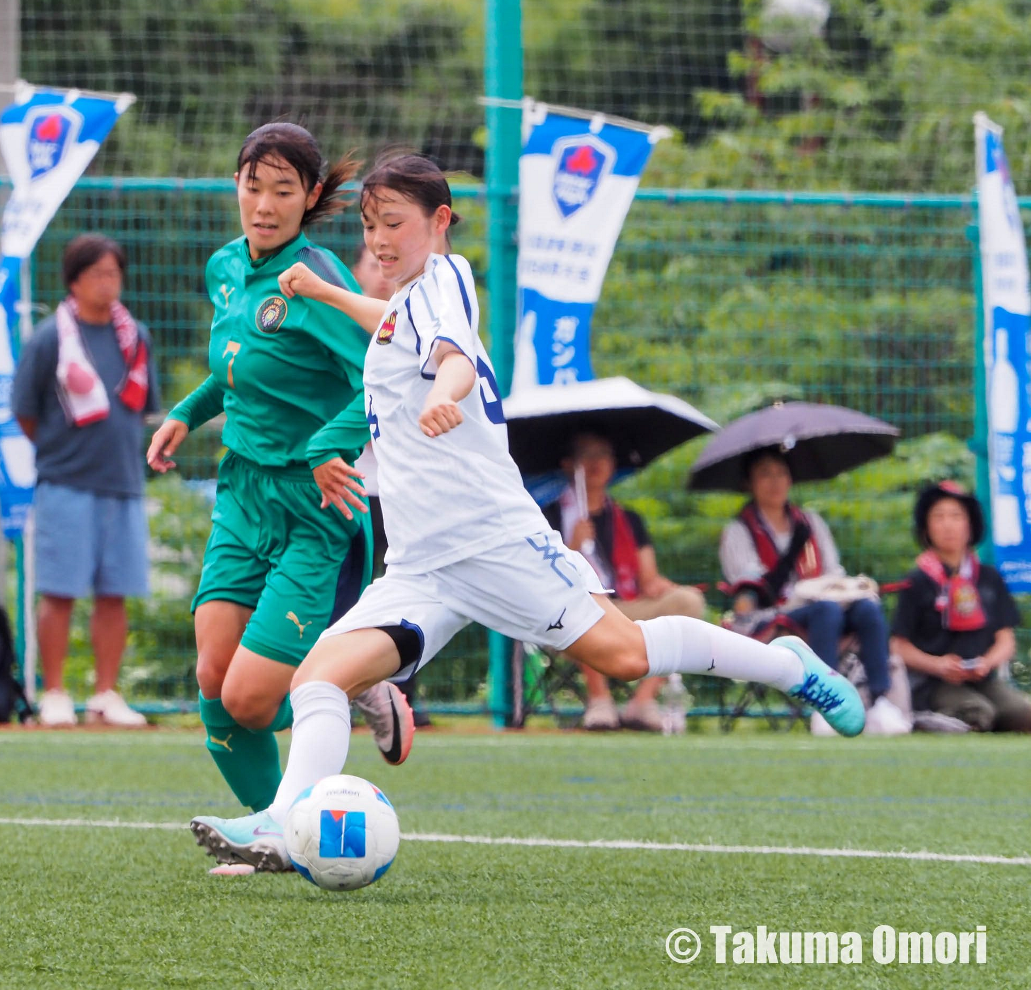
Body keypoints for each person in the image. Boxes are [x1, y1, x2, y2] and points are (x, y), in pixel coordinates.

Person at [189, 152, 864, 872]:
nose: (379, 240)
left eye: (394, 224)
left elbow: (449, 351)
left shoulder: (444, 280)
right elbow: (392, 322)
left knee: (626, 655)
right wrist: (326, 293)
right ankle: (286, 820)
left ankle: (788, 667)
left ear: (439, 222)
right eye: (368, 224)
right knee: (318, 675)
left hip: (492, 543)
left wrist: (450, 390)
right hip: (421, 565)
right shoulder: (405, 302)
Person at [146, 123, 413, 819]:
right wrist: (188, 410)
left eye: (283, 190)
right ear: (235, 185)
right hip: (242, 493)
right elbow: (238, 366)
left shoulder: (318, 279)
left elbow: (383, 375)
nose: (263, 204)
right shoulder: (226, 268)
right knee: (212, 682)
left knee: (249, 700)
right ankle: (281, 835)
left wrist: (329, 444)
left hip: (314, 505)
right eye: (252, 186)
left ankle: (353, 683)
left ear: (311, 197)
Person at [12, 234, 160, 727]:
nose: (108, 282)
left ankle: (105, 694)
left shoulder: (135, 336)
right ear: (74, 281)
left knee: (114, 591)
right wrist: (62, 452)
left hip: (123, 482)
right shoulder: (49, 338)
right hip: (64, 482)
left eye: (114, 273)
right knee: (59, 590)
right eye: (98, 274)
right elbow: (25, 412)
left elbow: (144, 409)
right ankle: (54, 692)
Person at [719, 449, 910, 736]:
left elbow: (832, 572)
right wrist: (792, 554)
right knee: (827, 610)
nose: (775, 482)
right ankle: (824, 705)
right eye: (764, 474)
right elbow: (751, 593)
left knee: (866, 609)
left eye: (781, 473)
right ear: (749, 483)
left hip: (822, 606)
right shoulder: (739, 530)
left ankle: (881, 701)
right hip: (771, 617)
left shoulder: (810, 522)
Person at [543, 431, 706, 731]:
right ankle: (599, 701)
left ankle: (642, 703)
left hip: (627, 607)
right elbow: (544, 581)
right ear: (569, 465)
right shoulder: (549, 515)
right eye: (587, 455)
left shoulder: (629, 519)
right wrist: (572, 547)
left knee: (688, 601)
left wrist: (661, 587)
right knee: (583, 602)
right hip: (571, 616)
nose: (596, 463)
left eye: (603, 455)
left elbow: (649, 580)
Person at [350, 241, 431, 728]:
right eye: (370, 260)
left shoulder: (423, 329)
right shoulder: (343, 331)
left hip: (405, 490)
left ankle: (403, 697)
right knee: (347, 594)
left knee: (406, 592)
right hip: (352, 488)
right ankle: (335, 691)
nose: (381, 270)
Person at [890, 482, 1031, 732]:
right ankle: (927, 719)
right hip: (933, 682)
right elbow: (899, 646)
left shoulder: (988, 578)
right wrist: (938, 665)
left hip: (982, 679)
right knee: (976, 713)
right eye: (939, 516)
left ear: (970, 525)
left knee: (1021, 715)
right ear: (926, 527)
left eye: (956, 516)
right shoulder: (917, 580)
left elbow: (1005, 639)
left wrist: (986, 663)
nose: (948, 525)